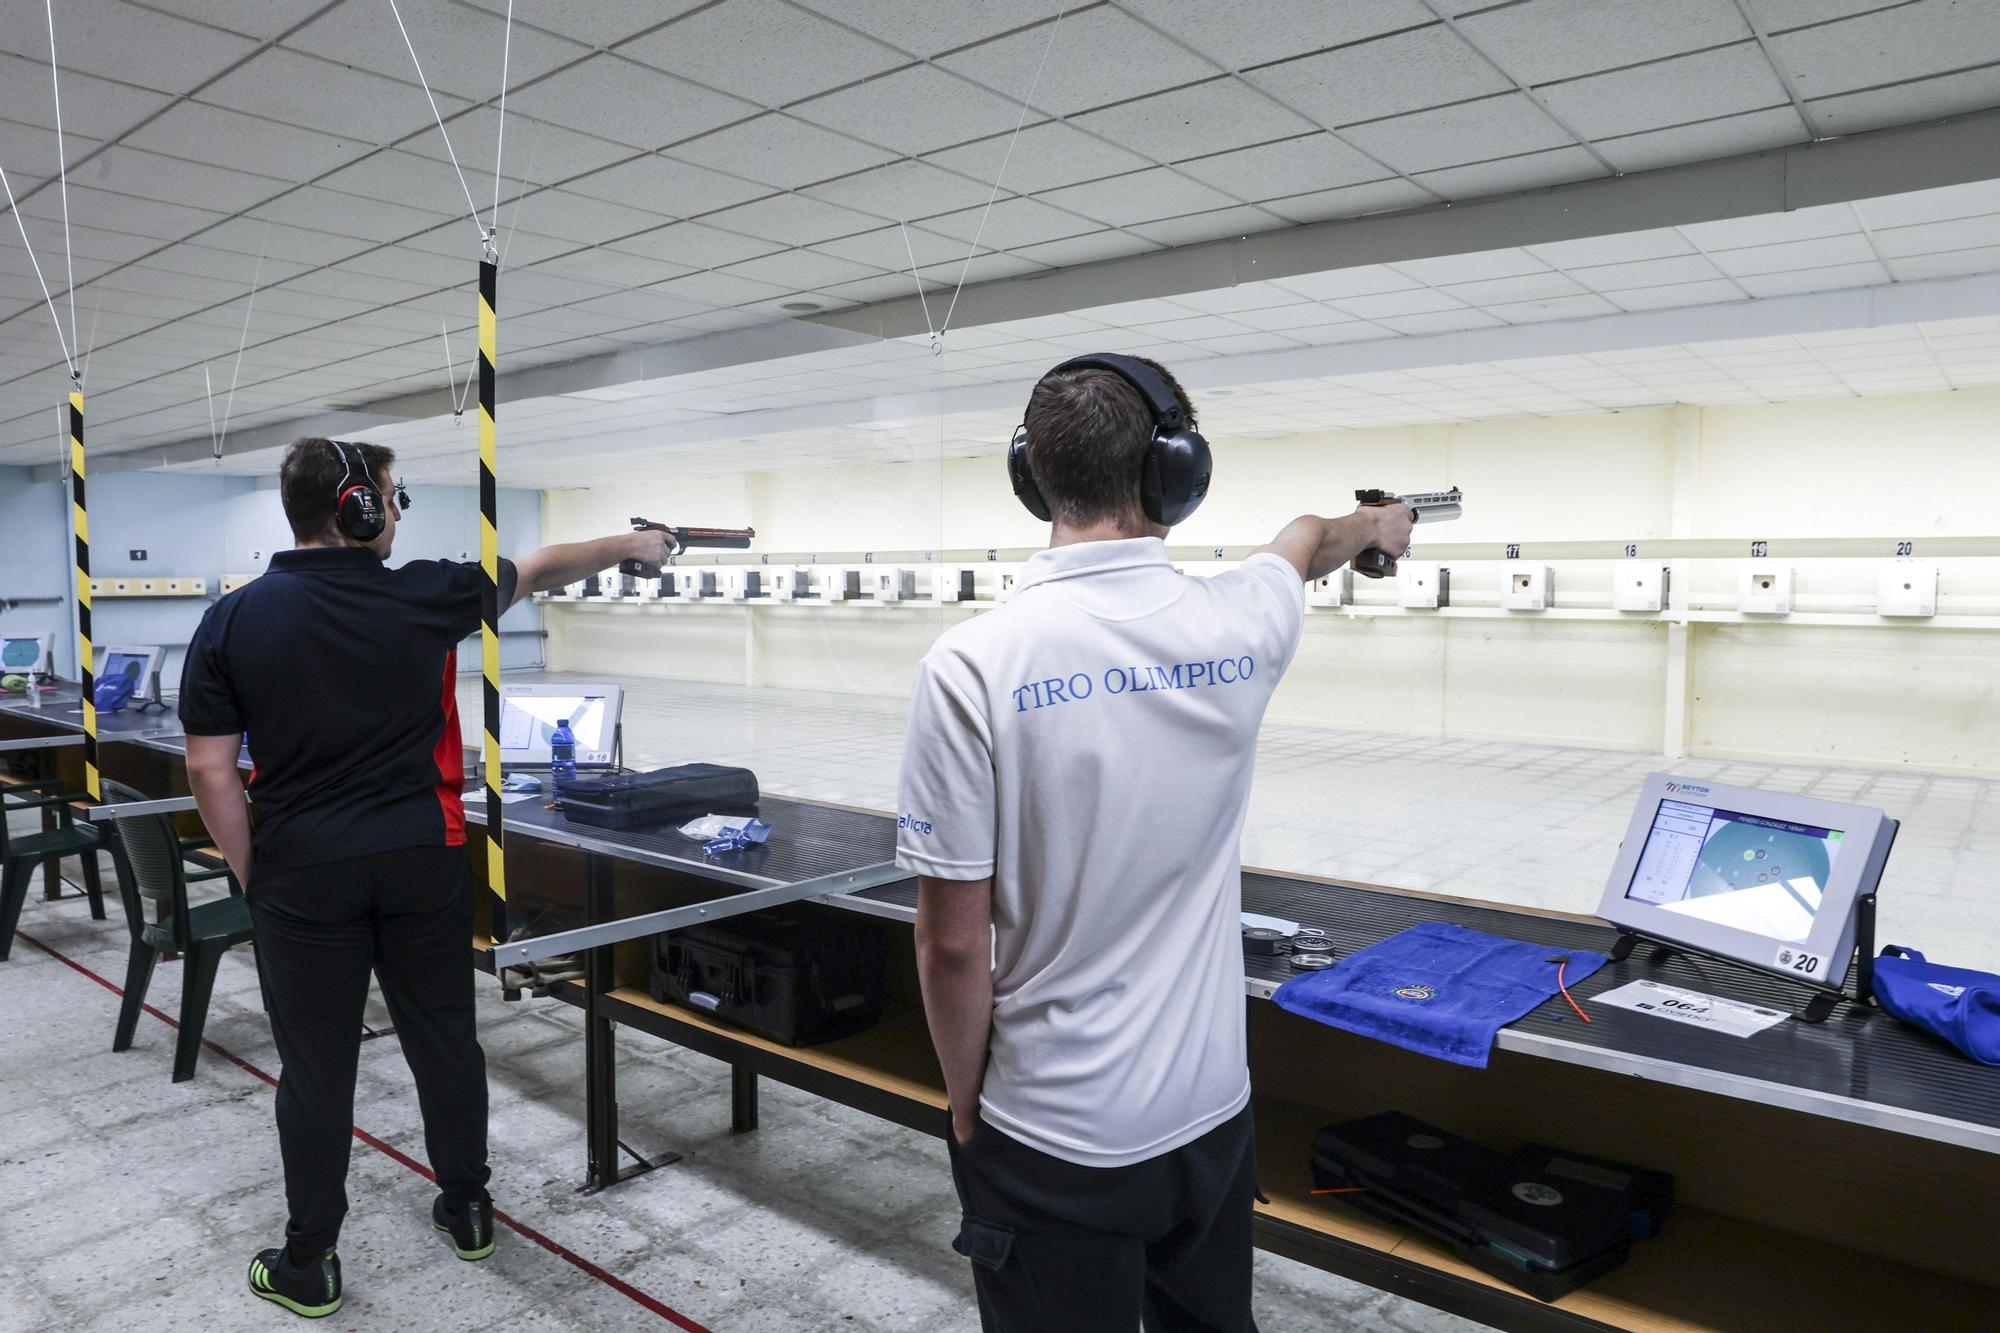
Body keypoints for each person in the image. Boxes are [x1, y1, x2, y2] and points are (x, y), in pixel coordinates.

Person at [897, 356, 1415, 1332]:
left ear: (1031, 477)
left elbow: (952, 944)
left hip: (1052, 1132)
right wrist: (1374, 530)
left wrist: (964, 1104)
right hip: (1210, 1119)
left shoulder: (970, 664)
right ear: (1177, 475)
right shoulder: (1239, 621)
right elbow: (1304, 540)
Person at [179, 437, 674, 1319]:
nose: (400, 513)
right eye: (394, 498)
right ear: (358, 507)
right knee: (445, 1042)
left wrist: (258, 869)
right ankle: (469, 1206)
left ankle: (309, 1262)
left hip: (302, 873)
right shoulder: (424, 594)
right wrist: (630, 546)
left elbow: (212, 771)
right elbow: (544, 565)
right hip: (422, 857)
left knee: (317, 1069)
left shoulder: (232, 620)